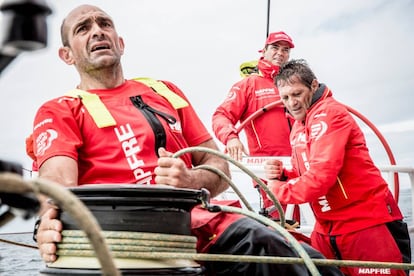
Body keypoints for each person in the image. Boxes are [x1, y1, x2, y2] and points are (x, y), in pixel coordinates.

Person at [28, 5, 343, 276]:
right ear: (66, 54)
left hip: (204, 221)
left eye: (104, 24)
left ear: (120, 43)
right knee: (265, 245)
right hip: (137, 237)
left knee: (313, 259)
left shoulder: (166, 92)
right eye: (83, 29)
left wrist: (189, 179)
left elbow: (219, 166)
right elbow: (57, 185)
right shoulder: (60, 110)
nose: (97, 32)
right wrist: (47, 221)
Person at [264, 59, 411, 276]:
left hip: (366, 225)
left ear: (313, 86)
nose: (291, 103)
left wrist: (275, 189)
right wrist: (284, 175)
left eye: (296, 94)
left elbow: (320, 179)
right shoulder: (298, 125)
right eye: (285, 97)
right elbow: (307, 170)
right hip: (328, 230)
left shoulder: (331, 114)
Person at [212, 31, 299, 220]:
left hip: (302, 164)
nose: (280, 53)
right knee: (281, 223)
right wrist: (231, 137)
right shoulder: (248, 84)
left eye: (285, 49)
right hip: (269, 169)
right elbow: (221, 116)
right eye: (275, 48)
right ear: (264, 51)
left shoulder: (294, 83)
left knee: (305, 222)